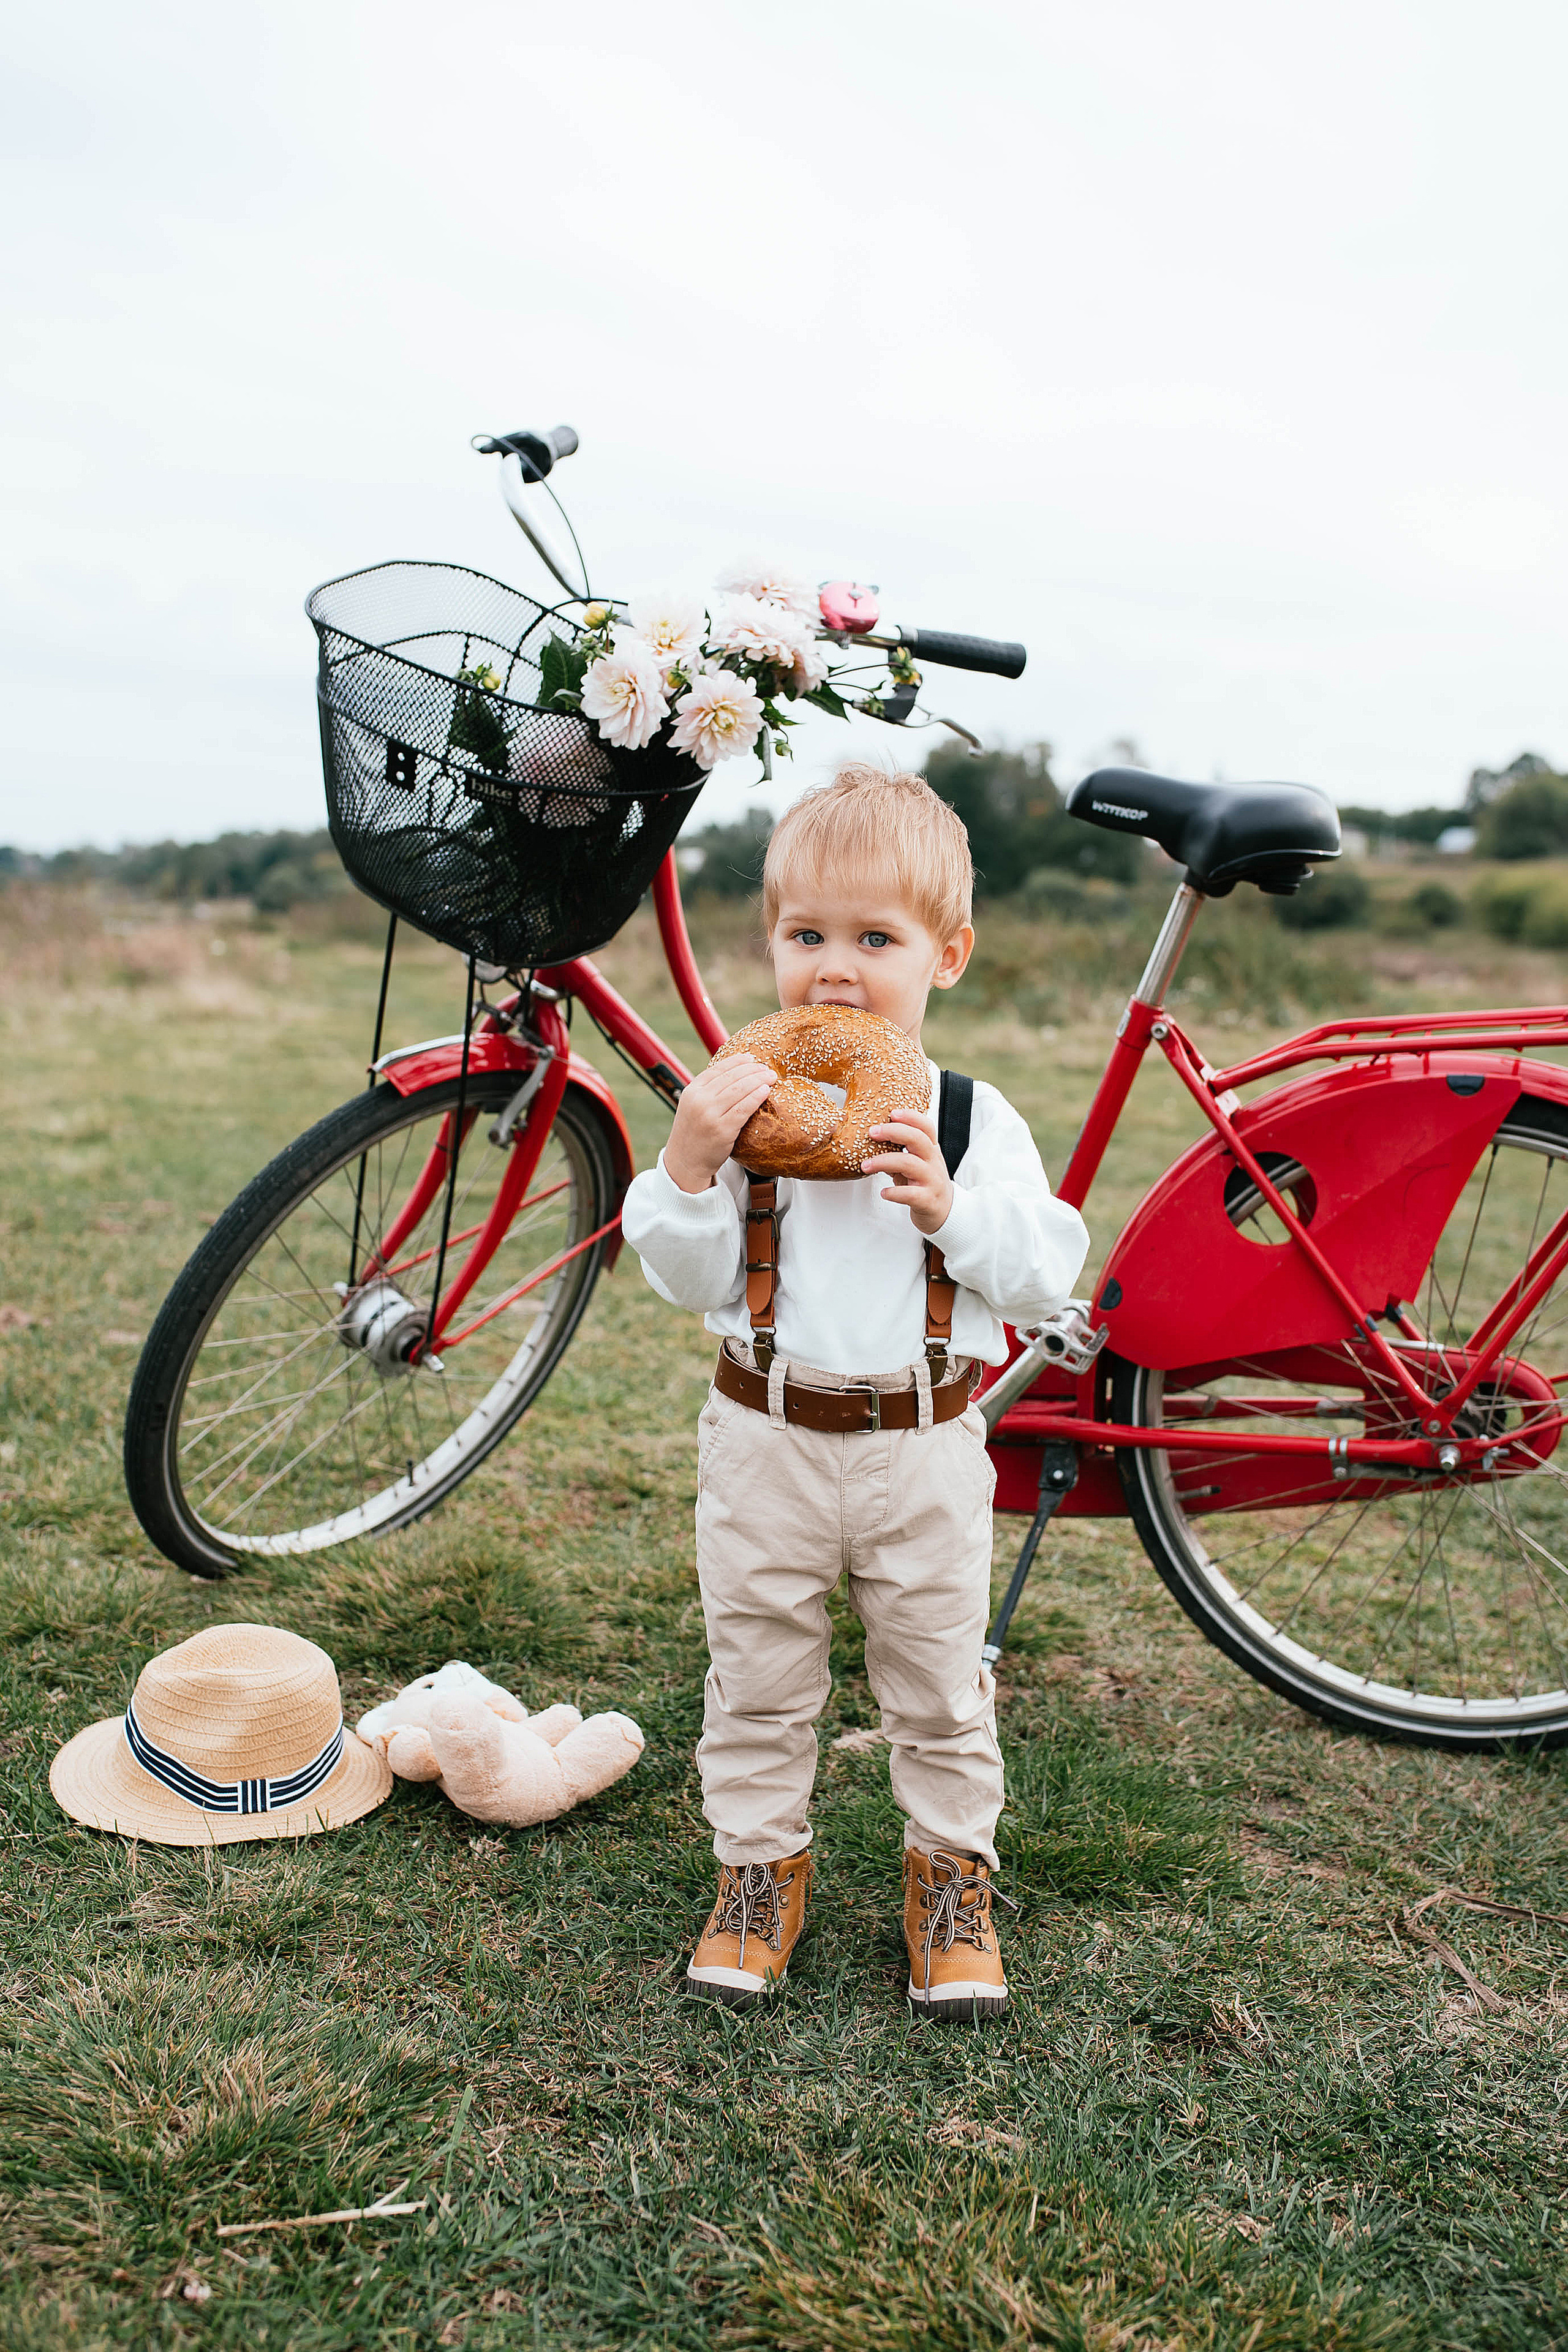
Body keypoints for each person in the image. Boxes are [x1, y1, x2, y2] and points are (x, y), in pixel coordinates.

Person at [621, 760, 1090, 2018]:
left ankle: (949, 1885)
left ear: (946, 954)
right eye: (804, 934)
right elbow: (689, 1273)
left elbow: (1049, 1267)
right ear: (769, 943)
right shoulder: (741, 1109)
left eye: (872, 937)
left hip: (925, 1446)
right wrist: (681, 1163)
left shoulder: (967, 1116)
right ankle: (755, 1871)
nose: (833, 968)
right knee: (757, 1671)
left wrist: (950, 1207)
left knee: (938, 1684)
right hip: (763, 1434)